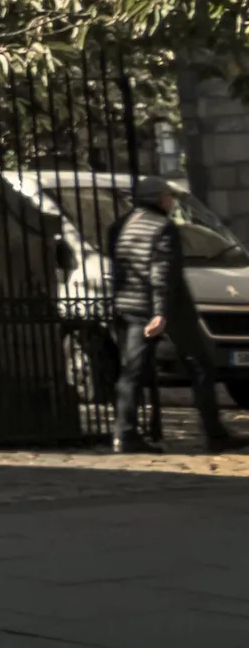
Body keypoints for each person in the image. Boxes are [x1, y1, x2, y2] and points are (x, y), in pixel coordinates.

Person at [111, 176, 233, 454]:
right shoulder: (163, 228)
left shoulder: (122, 226)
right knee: (201, 364)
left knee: (132, 370)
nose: (172, 201)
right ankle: (214, 433)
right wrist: (160, 313)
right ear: (159, 199)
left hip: (131, 305)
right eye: (169, 196)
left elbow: (120, 268)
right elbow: (162, 272)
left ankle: (124, 434)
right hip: (169, 309)